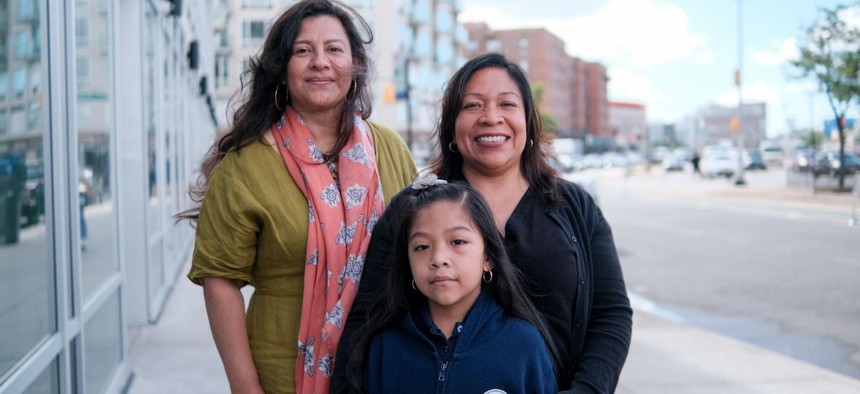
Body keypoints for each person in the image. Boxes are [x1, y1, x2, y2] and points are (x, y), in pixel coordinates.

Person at [333, 53, 632, 393]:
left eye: (507, 104)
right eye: (473, 106)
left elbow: (611, 314)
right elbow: (368, 317)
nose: (491, 118)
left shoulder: (574, 207)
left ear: (528, 121)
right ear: (451, 124)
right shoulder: (415, 208)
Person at [176, 1, 416, 393]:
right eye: (303, 51)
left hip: (384, 366)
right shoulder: (245, 164)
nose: (320, 62)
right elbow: (220, 279)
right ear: (282, 71)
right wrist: (245, 387)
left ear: (354, 66)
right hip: (282, 373)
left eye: (334, 50)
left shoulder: (389, 148)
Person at [346, 178, 558, 393]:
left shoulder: (523, 345)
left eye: (457, 242)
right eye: (422, 246)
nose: (438, 258)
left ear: (488, 258)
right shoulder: (386, 347)